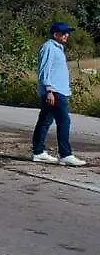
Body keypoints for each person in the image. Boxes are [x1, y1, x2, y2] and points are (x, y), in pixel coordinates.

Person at [32, 22, 87, 167]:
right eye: (63, 33)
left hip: (58, 91)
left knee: (44, 121)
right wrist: (49, 90)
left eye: (67, 33)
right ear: (55, 34)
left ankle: (38, 152)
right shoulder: (49, 47)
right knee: (64, 121)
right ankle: (65, 154)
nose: (66, 35)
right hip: (54, 91)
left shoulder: (58, 48)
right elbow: (44, 70)